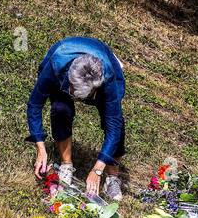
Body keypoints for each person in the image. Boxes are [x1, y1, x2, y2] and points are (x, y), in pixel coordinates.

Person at [26, 37, 126, 201]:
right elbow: (34, 105)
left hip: (104, 66)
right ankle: (66, 165)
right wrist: (40, 148)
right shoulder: (55, 65)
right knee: (60, 109)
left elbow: (114, 127)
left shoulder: (107, 78)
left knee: (116, 122)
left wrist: (97, 170)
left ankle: (112, 176)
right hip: (63, 63)